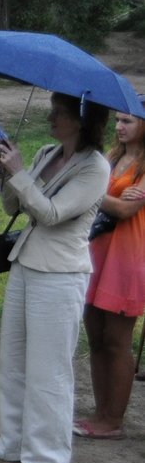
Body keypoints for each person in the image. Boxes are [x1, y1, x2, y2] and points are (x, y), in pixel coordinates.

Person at [0, 95, 110, 463]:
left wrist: (20, 172)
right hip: (25, 261)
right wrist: (7, 172)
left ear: (82, 121)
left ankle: (48, 456)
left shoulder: (95, 168)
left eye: (60, 112)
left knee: (49, 369)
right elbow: (15, 206)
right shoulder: (49, 151)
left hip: (61, 273)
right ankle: (13, 441)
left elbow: (51, 214)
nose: (51, 117)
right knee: (13, 359)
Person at [76, 104, 145, 439]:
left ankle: (113, 419)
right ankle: (101, 410)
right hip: (98, 252)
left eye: (127, 121)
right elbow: (115, 203)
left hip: (127, 257)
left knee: (117, 340)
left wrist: (90, 191)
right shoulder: (112, 157)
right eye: (117, 120)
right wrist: (103, 195)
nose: (119, 126)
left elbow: (127, 209)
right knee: (97, 338)